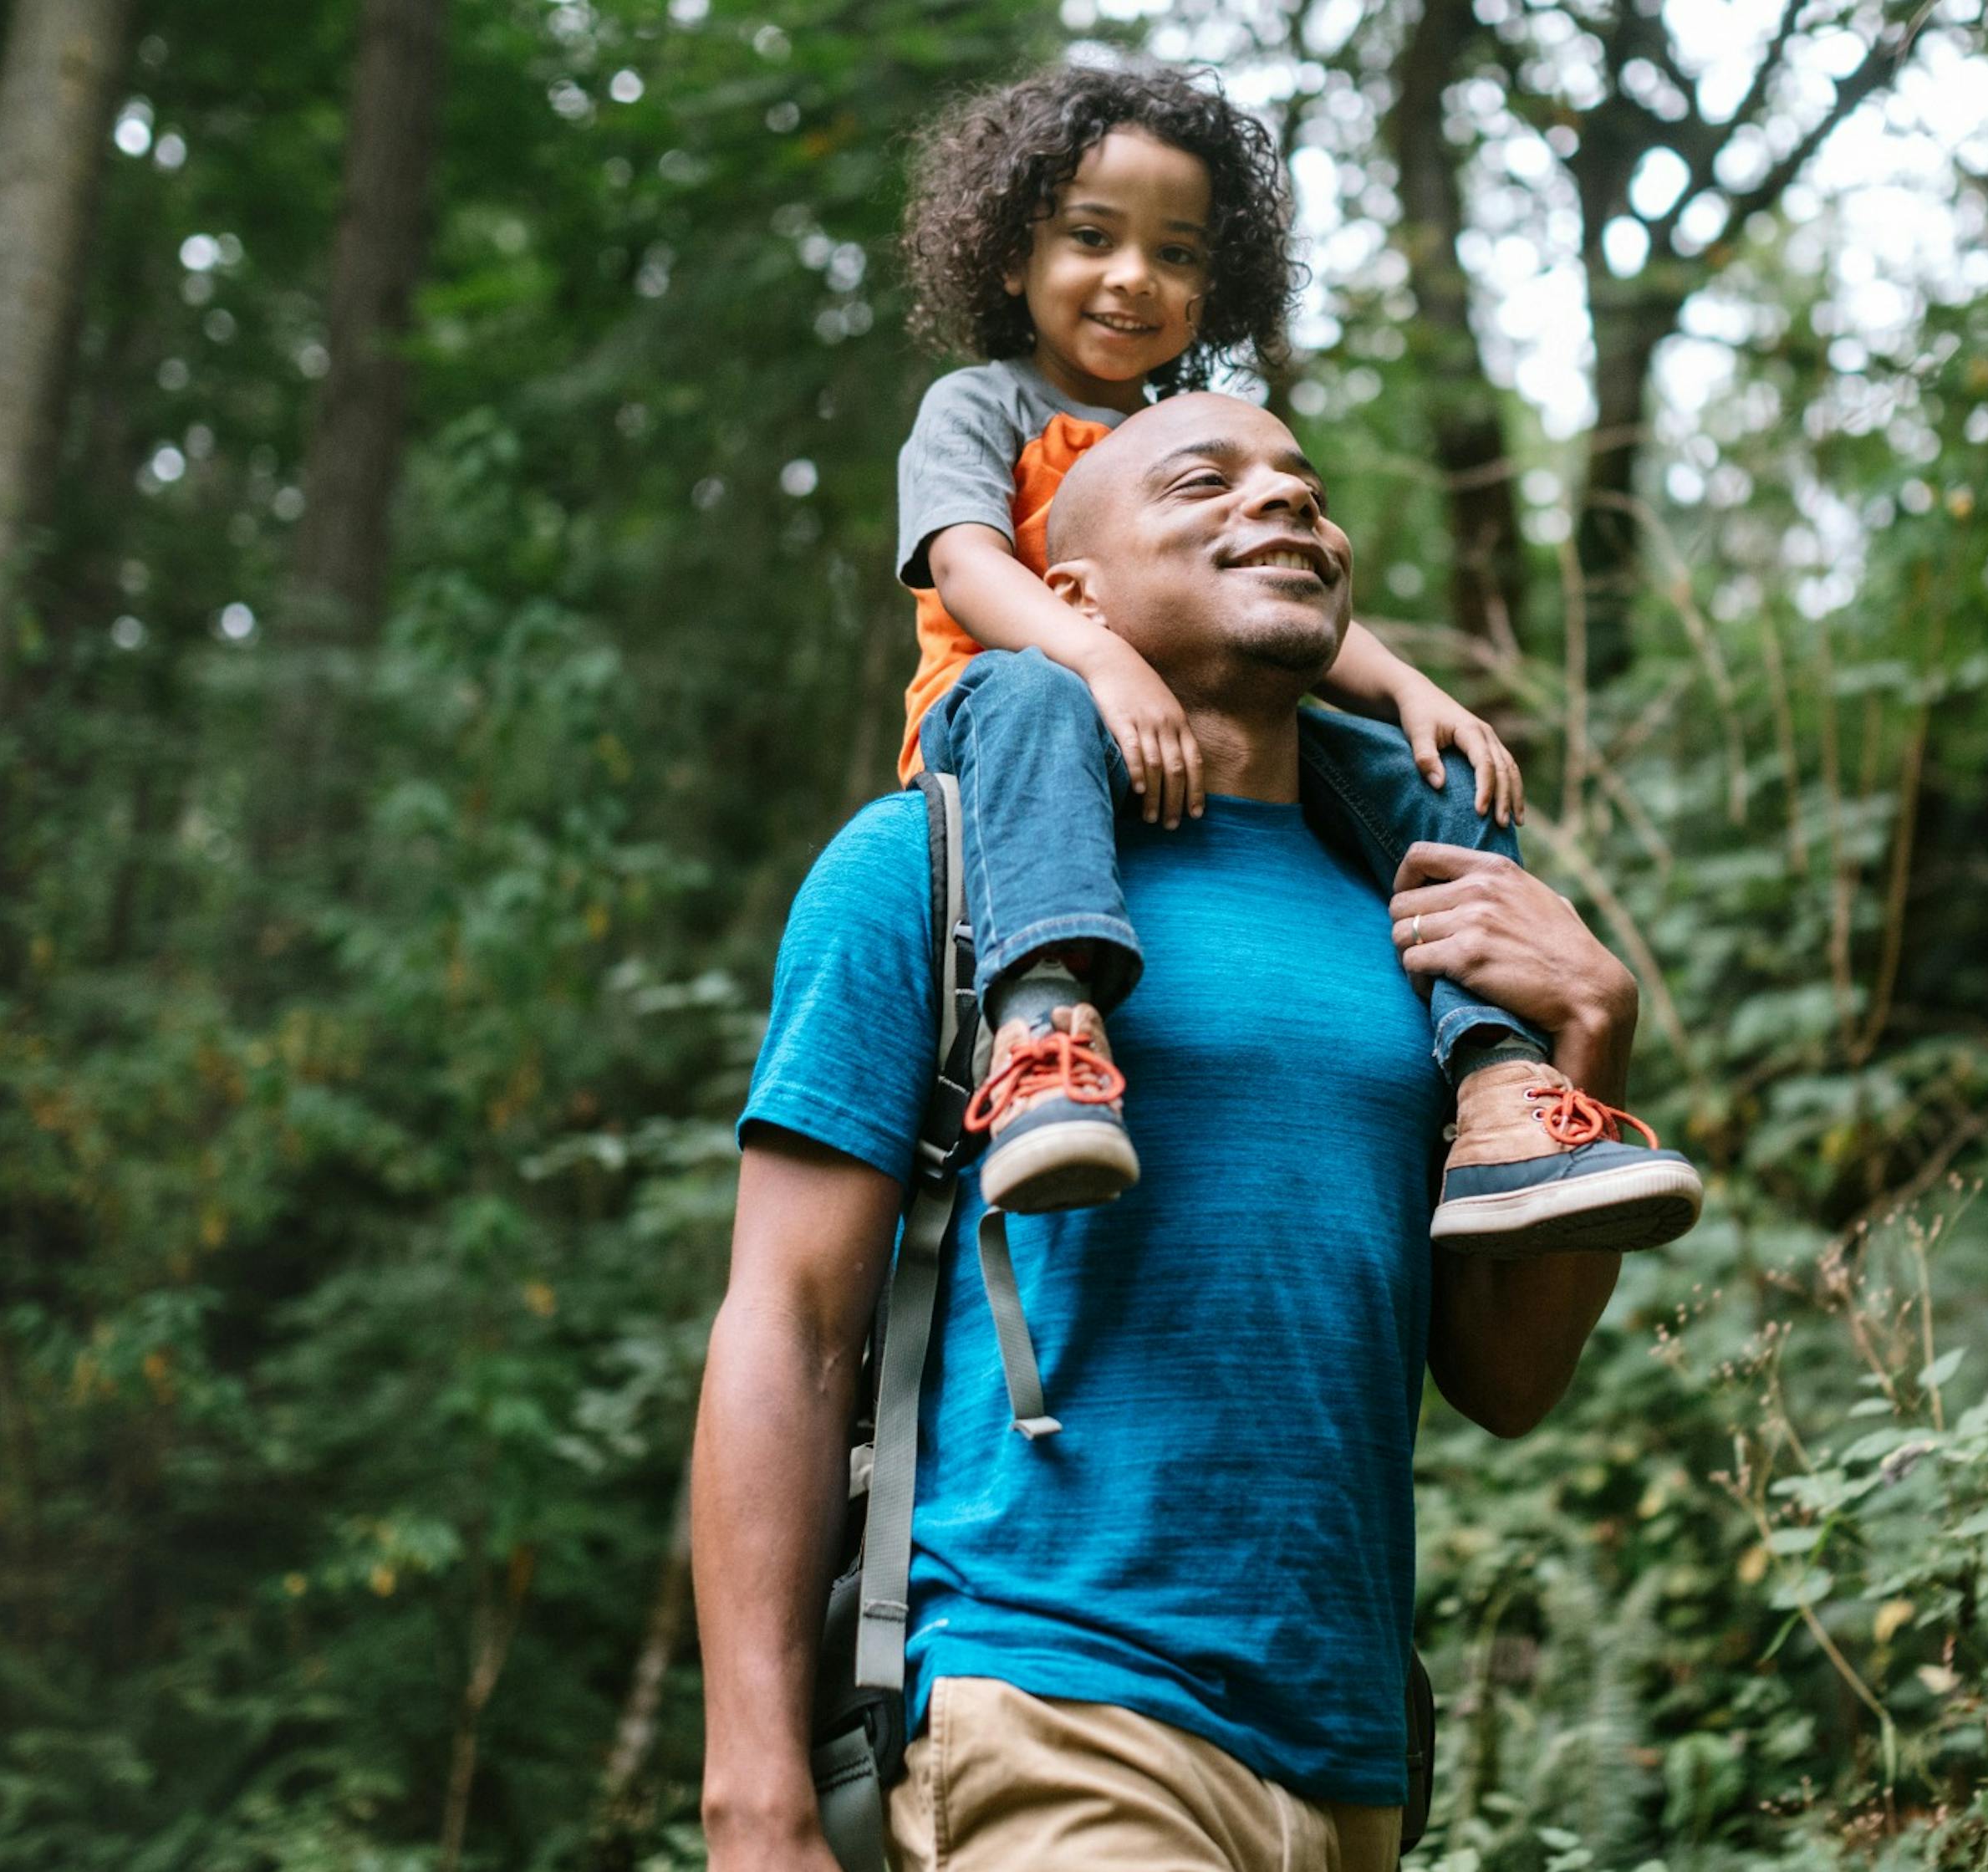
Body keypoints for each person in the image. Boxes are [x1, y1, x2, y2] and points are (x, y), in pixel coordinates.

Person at [696, 394, 1664, 1872]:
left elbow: (1506, 1379)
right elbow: (790, 1318)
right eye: (1206, 480)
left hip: (1352, 1764)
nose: (1284, 504)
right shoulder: (923, 866)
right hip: (1047, 1700)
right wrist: (755, 1790)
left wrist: (1591, 1037)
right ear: (1067, 594)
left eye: (1306, 488)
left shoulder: (1426, 921)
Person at [890, 61, 1700, 1253]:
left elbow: (1279, 599)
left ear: (1212, 289)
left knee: (1436, 778)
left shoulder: (1195, 425)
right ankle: (1046, 1031)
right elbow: (966, 567)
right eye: (1091, 238)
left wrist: (1413, 691)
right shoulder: (982, 406)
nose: (1134, 277)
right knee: (1028, 689)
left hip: (1198, 734)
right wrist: (1099, 660)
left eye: (1175, 254)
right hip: (1017, 731)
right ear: (1012, 256)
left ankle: (1498, 1089)